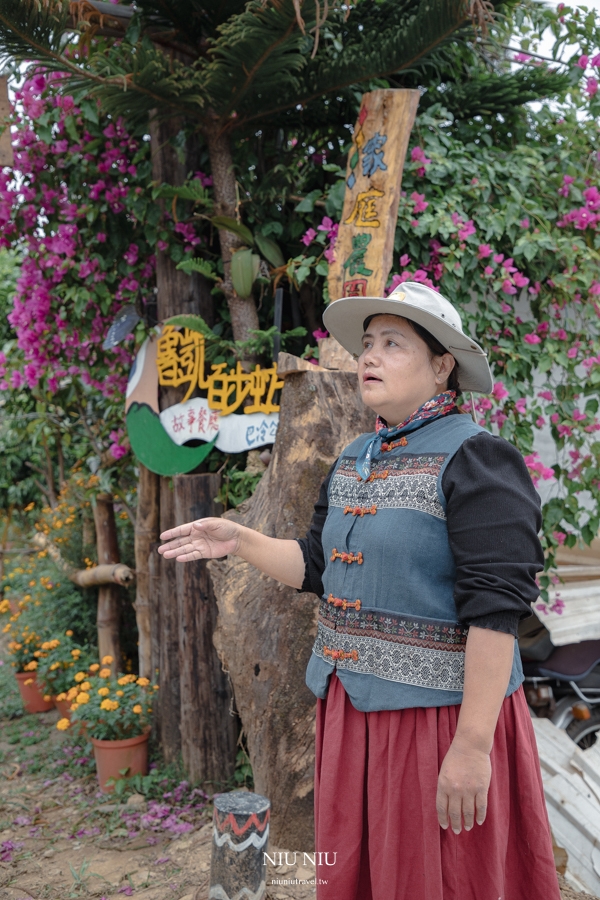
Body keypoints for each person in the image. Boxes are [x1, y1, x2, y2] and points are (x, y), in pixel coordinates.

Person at [158, 282, 561, 900]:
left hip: (437, 721)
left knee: (440, 878)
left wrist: (472, 747)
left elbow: (496, 614)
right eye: (367, 343)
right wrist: (238, 539)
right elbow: (318, 567)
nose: (369, 355)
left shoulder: (478, 460)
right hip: (352, 716)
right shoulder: (353, 458)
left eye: (393, 343)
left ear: (442, 366)